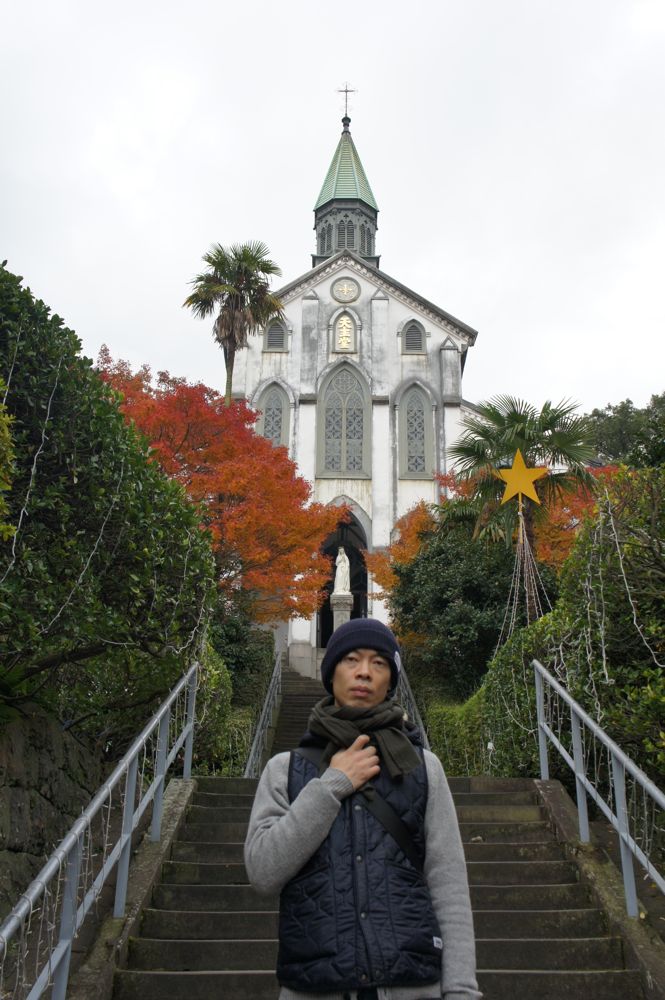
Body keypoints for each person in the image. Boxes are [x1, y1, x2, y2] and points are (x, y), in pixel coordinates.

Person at [244, 618, 481, 1000]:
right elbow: (262, 871)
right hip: (315, 986)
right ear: (331, 672)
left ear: (391, 680)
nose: (364, 672)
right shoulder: (284, 770)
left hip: (412, 984)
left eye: (379, 663)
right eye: (351, 659)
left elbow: (447, 883)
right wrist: (331, 786)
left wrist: (462, 991)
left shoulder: (423, 767)